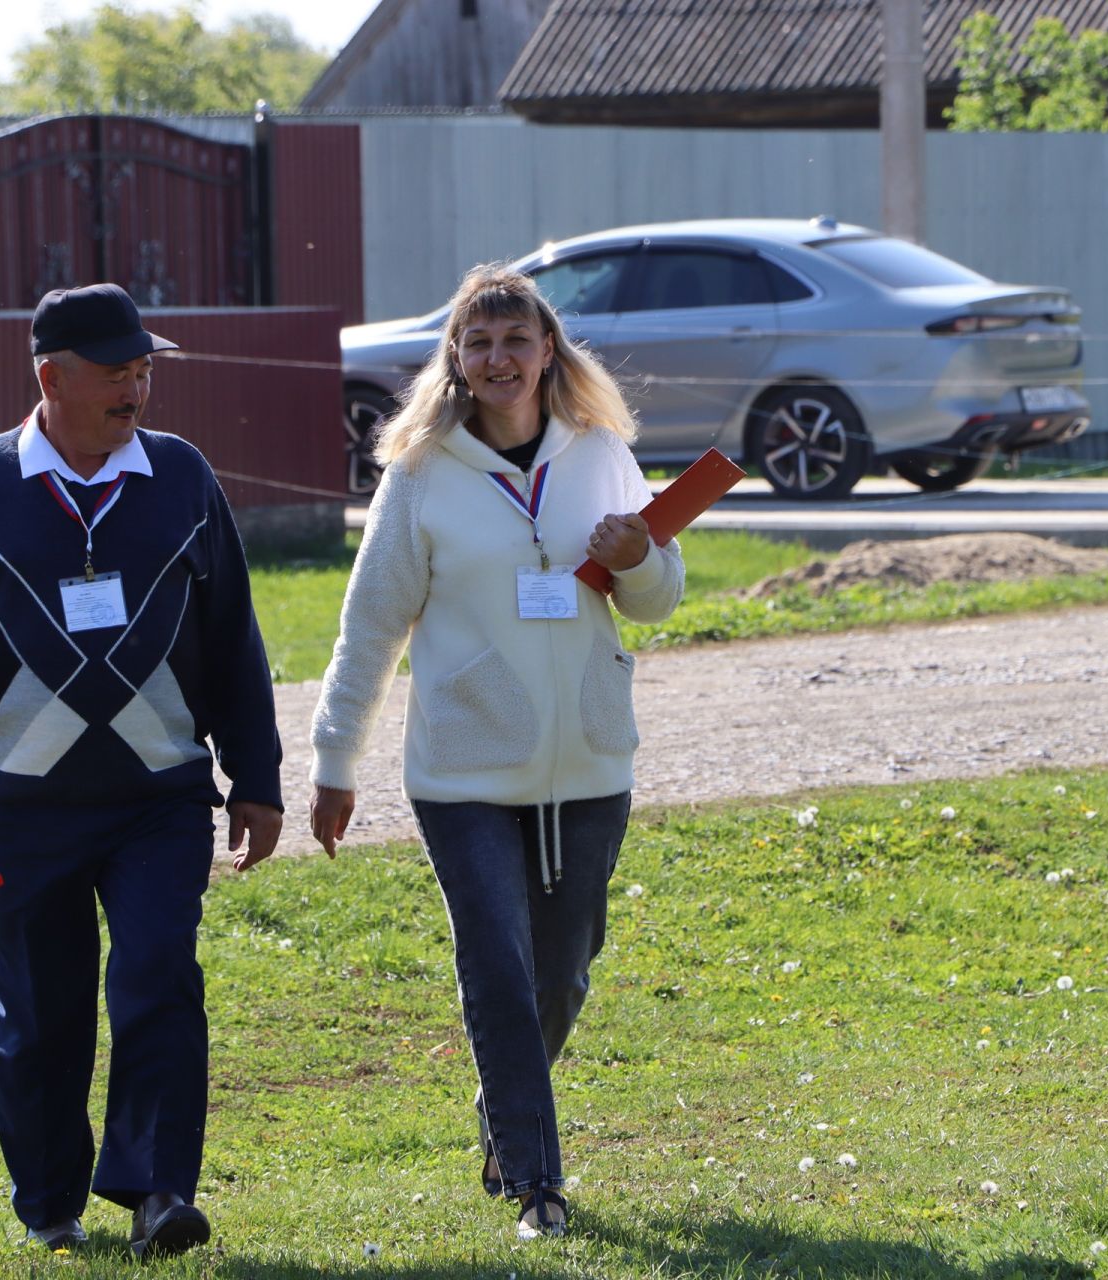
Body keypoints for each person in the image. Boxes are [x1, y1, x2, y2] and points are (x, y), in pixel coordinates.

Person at [0, 282, 283, 1258]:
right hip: (23, 809)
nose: (135, 384)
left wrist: (256, 774)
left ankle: (158, 1192)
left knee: (158, 975)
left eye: (143, 365)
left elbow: (233, 637)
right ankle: (50, 1202)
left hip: (158, 798)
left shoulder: (183, 479)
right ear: (50, 376)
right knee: (41, 1010)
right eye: (115, 369)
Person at [308, 264, 684, 1239]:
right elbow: (369, 627)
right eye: (478, 344)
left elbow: (656, 596)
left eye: (516, 341)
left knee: (563, 974)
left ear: (548, 351)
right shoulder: (422, 473)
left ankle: (502, 1110)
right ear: (457, 361)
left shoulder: (601, 454)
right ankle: (535, 1179)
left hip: (588, 765)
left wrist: (641, 556)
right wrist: (333, 759)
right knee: (499, 970)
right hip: (465, 774)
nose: (498, 358)